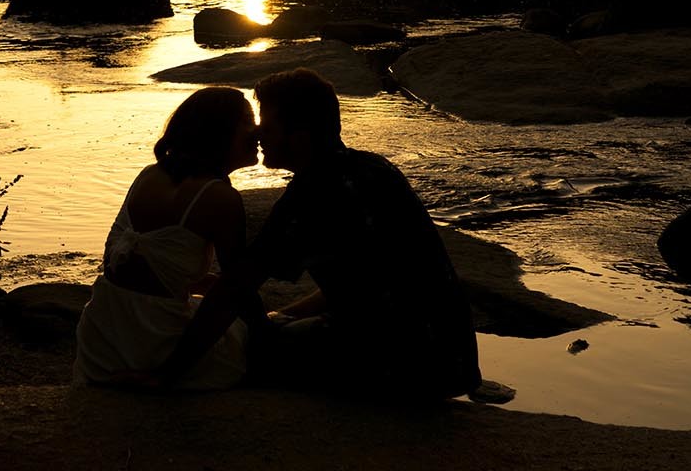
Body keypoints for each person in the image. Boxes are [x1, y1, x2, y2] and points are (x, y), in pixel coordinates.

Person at [157, 68, 481, 399]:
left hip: (403, 367)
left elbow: (234, 289)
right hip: (452, 363)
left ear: (299, 136)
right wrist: (283, 314)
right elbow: (365, 279)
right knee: (279, 328)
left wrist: (168, 375)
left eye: (266, 127)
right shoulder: (374, 167)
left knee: (243, 349)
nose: (258, 136)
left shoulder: (312, 195)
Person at [73, 86, 262, 389]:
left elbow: (133, 264)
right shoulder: (220, 198)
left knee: (203, 302)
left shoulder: (149, 174)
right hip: (151, 348)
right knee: (245, 339)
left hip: (101, 342)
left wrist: (188, 280)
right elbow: (234, 292)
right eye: (248, 121)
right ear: (219, 130)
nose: (258, 131)